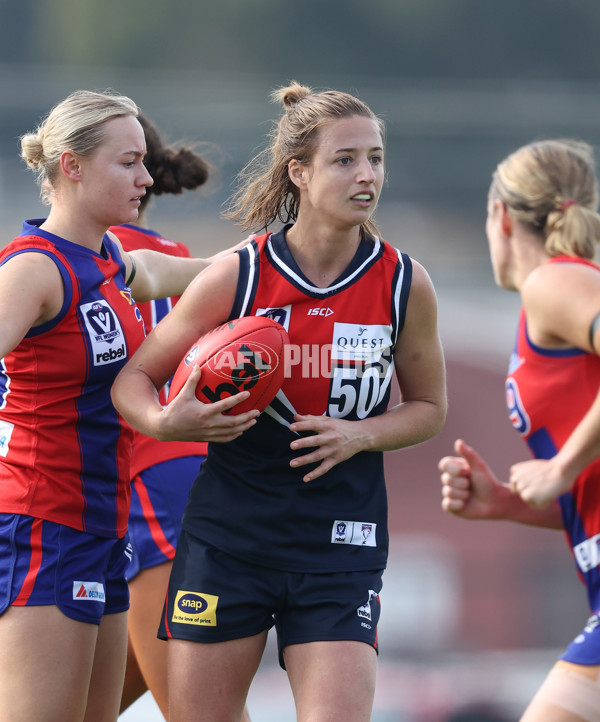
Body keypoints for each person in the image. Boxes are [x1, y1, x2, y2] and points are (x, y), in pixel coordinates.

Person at [111, 81, 447, 722]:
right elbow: (134, 378)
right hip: (229, 539)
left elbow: (430, 408)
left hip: (339, 547)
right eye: (345, 159)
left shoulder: (404, 282)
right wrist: (166, 420)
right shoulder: (240, 274)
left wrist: (361, 435)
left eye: (375, 157)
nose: (366, 174)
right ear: (299, 171)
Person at [0, 89, 257, 722]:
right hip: (44, 523)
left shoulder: (111, 261)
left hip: (103, 526)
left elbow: (209, 275)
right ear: (73, 165)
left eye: (144, 159)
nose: (147, 176)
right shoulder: (32, 269)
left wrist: (298, 263)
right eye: (128, 161)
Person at [438, 139, 600, 722]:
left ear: (500, 217)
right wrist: (507, 504)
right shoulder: (553, 298)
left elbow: (574, 472)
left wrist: (560, 467)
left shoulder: (555, 284)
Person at [111, 114, 252, 721]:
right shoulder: (182, 258)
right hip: (192, 488)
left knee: (201, 713)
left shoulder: (67, 265)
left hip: (155, 491)